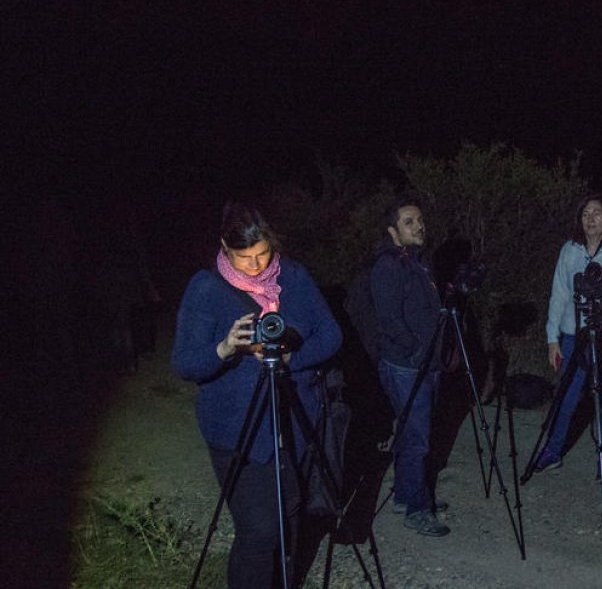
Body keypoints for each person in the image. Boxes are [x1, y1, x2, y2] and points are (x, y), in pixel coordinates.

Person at [172, 202, 342, 589]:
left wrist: (293, 357)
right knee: (260, 530)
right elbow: (184, 362)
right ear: (224, 248)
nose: (255, 266)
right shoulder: (206, 288)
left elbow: (331, 334)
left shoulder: (295, 277)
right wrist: (225, 347)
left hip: (293, 423)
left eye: (263, 254)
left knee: (291, 518)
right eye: (244, 257)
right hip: (237, 431)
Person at [535, 194, 602, 476]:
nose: (590, 218)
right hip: (575, 333)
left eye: (597, 213)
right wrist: (552, 338)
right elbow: (558, 295)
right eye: (585, 213)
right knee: (568, 393)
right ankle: (553, 449)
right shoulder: (570, 250)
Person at [371, 198, 451, 537]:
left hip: (425, 363)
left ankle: (407, 494)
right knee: (418, 438)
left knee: (410, 433)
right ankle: (418, 510)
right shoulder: (388, 266)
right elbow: (388, 319)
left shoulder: (418, 262)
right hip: (407, 367)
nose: (418, 226)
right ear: (393, 231)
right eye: (408, 222)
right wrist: (416, 351)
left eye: (419, 219)